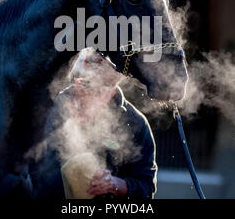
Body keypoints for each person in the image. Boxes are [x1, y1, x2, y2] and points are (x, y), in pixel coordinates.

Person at [34, 48, 157, 200]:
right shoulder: (58, 103)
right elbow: (40, 167)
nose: (100, 54)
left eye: (108, 53)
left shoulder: (136, 121)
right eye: (95, 51)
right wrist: (79, 123)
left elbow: (146, 188)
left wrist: (113, 184)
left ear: (123, 72)